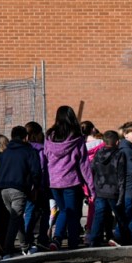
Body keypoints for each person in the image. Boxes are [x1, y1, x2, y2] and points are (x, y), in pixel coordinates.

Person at [42, 106, 89, 249]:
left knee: (63, 210)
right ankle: (72, 241)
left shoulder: (49, 136)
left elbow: (45, 157)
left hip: (54, 180)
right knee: (72, 212)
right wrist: (90, 186)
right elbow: (84, 163)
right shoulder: (76, 137)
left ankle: (57, 239)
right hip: (70, 180)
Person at [0, 125, 42, 255]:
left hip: (3, 189)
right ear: (25, 137)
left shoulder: (5, 153)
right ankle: (7, 250)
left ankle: (25, 246)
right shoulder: (29, 151)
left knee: (17, 218)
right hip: (19, 188)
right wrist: (35, 187)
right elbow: (36, 172)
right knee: (15, 220)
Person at [87, 132, 130, 246]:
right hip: (114, 190)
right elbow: (121, 175)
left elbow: (92, 169)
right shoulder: (120, 154)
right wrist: (121, 194)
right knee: (120, 216)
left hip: (100, 189)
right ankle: (122, 238)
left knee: (99, 215)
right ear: (117, 142)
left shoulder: (98, 153)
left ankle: (94, 239)